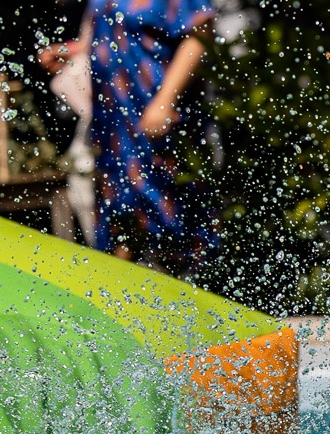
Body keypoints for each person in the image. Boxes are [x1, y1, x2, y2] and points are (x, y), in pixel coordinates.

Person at [38, 0, 217, 276]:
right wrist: (72, 51)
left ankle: (186, 303)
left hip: (155, 117)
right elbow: (113, 33)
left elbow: (200, 32)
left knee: (166, 220)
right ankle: (117, 303)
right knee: (119, 220)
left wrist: (165, 100)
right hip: (113, 128)